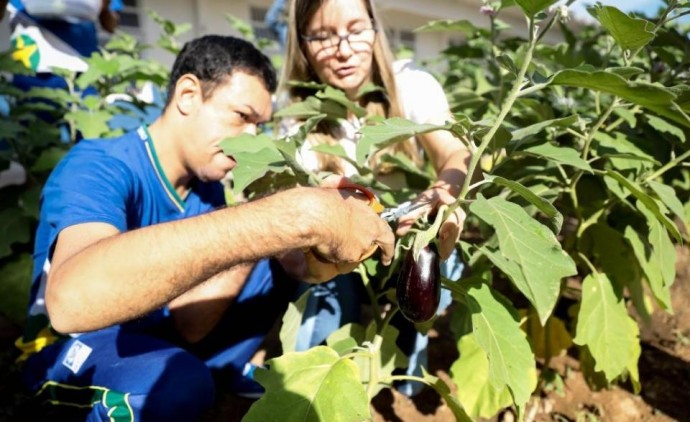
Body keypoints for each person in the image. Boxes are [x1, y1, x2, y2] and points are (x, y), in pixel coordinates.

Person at [14, 34, 394, 421]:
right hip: (69, 351)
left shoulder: (206, 189)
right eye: (242, 117)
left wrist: (301, 243)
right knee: (178, 384)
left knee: (271, 255)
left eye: (260, 126)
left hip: (159, 342)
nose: (253, 139)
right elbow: (72, 303)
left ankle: (217, 372)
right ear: (188, 95)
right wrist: (289, 216)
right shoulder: (99, 165)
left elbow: (191, 324)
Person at [278, 0, 471, 396]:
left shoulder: (411, 84)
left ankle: (405, 357)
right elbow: (291, 215)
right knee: (315, 363)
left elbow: (456, 153)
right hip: (336, 256)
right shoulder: (298, 115)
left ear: (374, 28)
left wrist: (443, 193)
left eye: (355, 29)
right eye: (323, 36)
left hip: (404, 242)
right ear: (302, 43)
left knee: (440, 261)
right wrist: (314, 257)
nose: (344, 49)